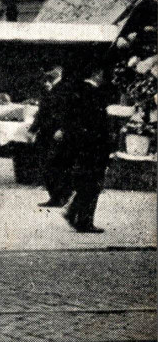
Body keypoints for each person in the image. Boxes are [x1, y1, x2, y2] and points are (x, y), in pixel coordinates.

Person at [59, 60, 118, 234]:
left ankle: (73, 212)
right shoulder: (94, 93)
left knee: (86, 181)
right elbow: (98, 123)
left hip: (82, 144)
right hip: (95, 145)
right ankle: (83, 219)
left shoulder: (77, 91)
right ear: (97, 73)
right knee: (93, 182)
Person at [30, 64, 72, 208]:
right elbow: (43, 110)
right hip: (46, 131)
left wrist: (63, 129)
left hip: (57, 132)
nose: (49, 73)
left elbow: (68, 111)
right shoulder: (49, 86)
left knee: (55, 164)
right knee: (46, 164)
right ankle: (55, 196)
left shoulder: (65, 87)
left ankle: (61, 196)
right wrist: (33, 129)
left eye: (52, 70)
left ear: (59, 71)